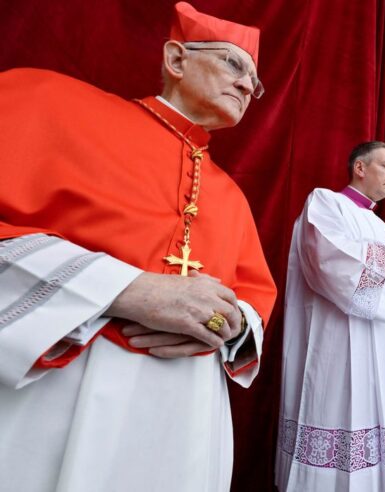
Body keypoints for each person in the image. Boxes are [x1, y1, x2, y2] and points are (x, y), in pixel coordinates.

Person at [0, 3, 277, 491]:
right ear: (176, 59)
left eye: (253, 83)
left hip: (191, 410)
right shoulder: (50, 103)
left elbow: (253, 298)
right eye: (234, 64)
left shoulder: (232, 196)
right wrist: (124, 290)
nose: (245, 87)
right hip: (64, 391)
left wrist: (229, 324)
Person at [275, 141, 385, 491]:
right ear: (360, 168)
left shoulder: (378, 224)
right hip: (340, 347)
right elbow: (329, 263)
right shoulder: (326, 202)